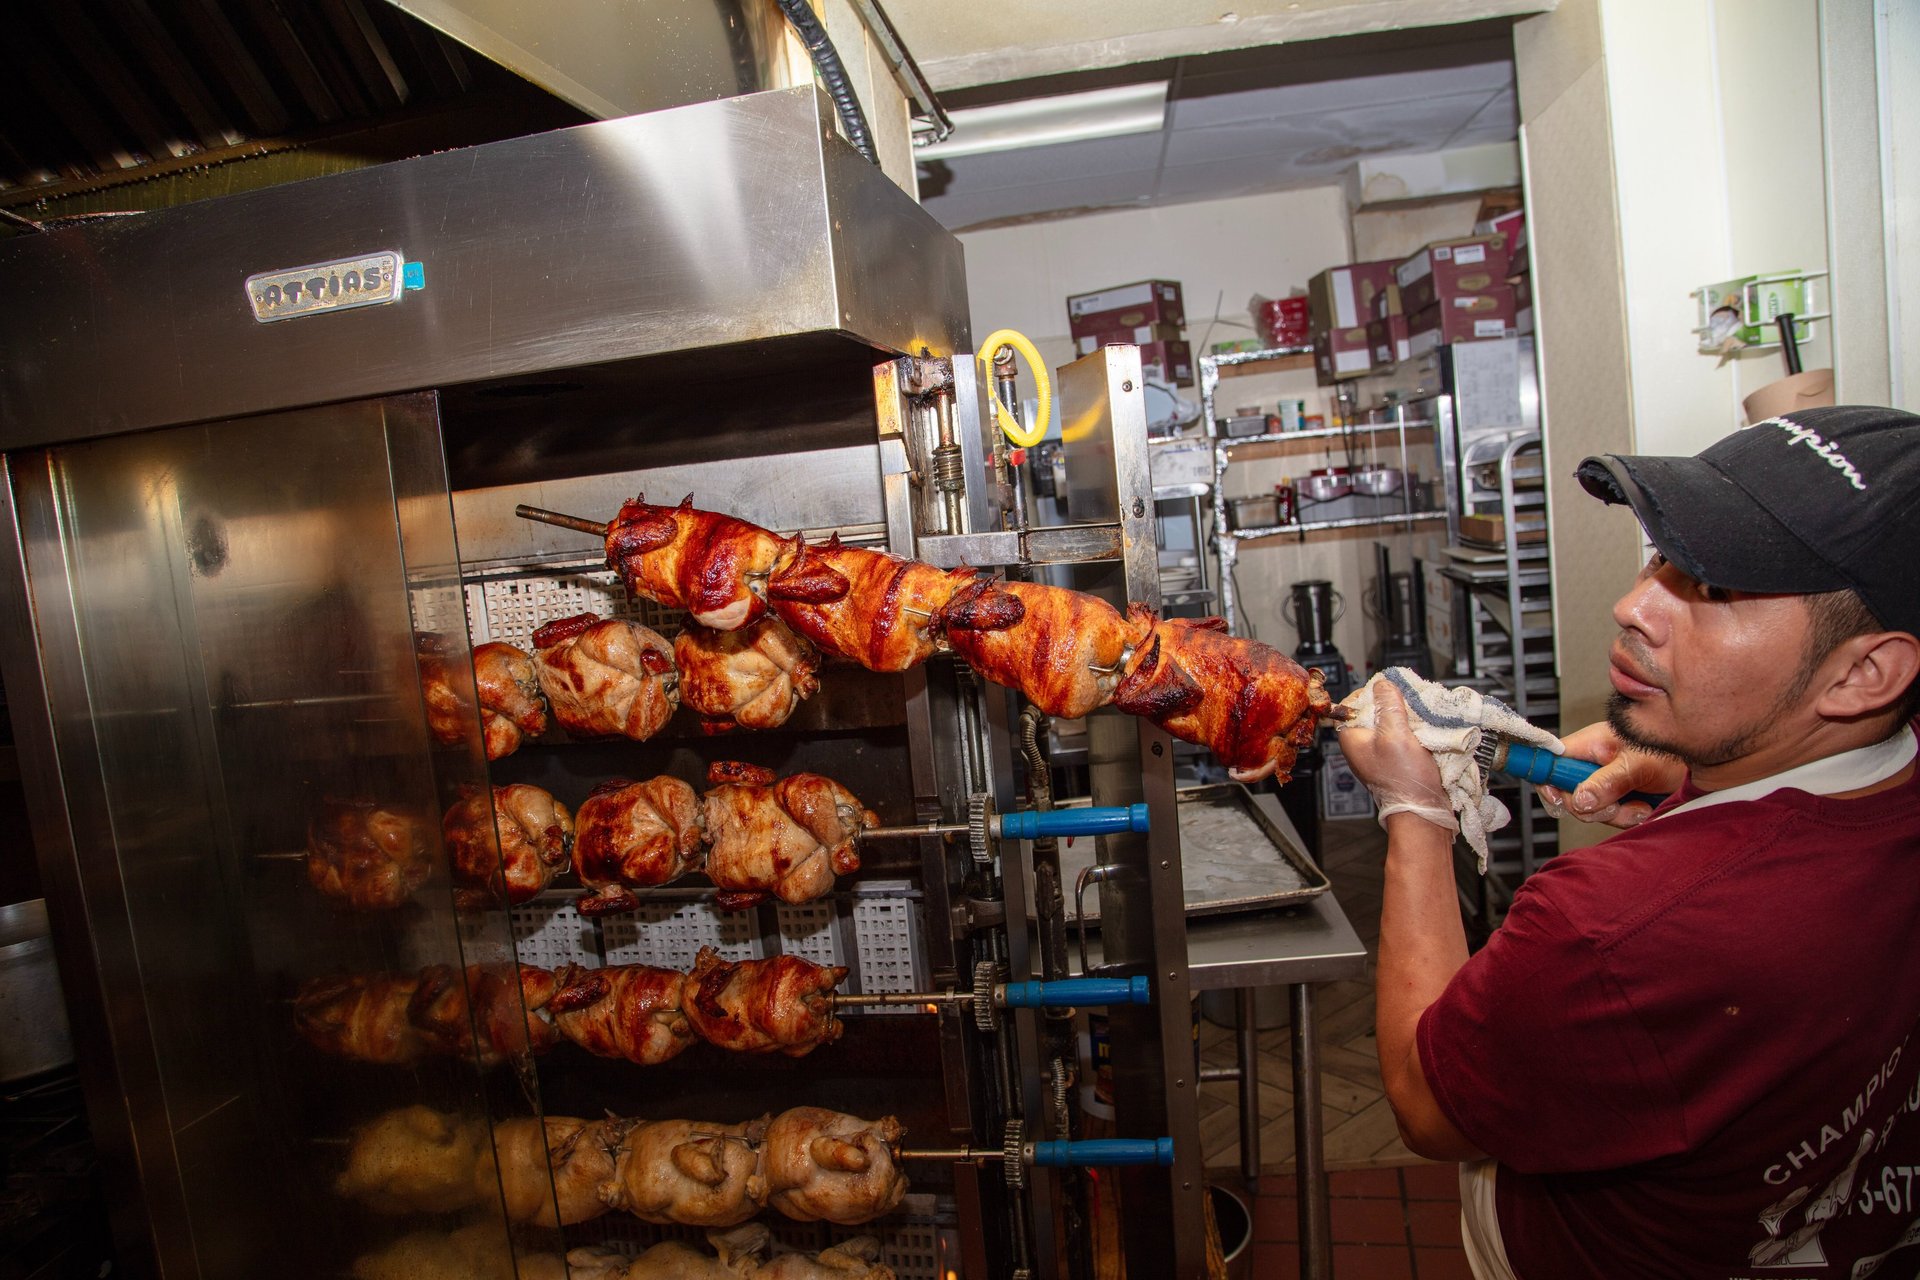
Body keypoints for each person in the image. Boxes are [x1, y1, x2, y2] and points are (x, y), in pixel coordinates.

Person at [1338, 405, 1920, 1279]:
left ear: (1864, 673)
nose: (1633, 605)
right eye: (1662, 558)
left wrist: (1414, 813)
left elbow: (1427, 1106)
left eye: (1716, 590)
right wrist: (1695, 786)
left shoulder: (1606, 927)